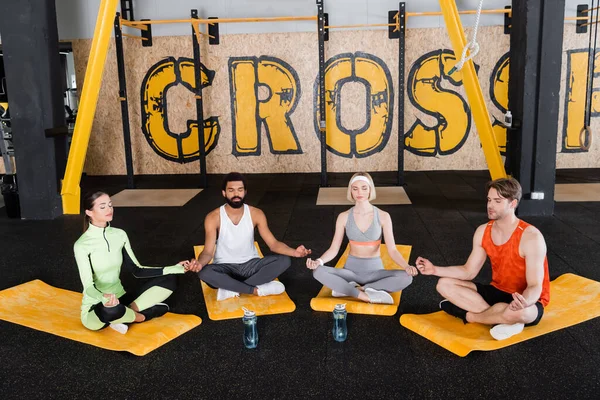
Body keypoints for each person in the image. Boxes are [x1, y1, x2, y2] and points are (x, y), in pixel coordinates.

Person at [416, 177, 550, 340]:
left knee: (522, 312)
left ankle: (471, 316)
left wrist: (523, 302)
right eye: (489, 200)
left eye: (497, 201)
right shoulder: (483, 231)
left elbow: (535, 286)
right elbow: (468, 272)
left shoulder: (531, 237)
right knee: (444, 284)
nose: (490, 206)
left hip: (526, 299)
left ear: (513, 204)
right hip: (497, 290)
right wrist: (434, 269)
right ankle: (502, 319)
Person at [74, 191, 191, 334]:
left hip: (121, 297)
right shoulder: (82, 245)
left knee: (170, 279)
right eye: (102, 207)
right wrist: (103, 298)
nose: (109, 209)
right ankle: (141, 317)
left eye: (110, 205)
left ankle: (124, 316)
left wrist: (175, 268)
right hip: (97, 307)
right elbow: (88, 287)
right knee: (111, 310)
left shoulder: (119, 235)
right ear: (89, 212)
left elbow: (137, 270)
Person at [187, 172, 311, 301]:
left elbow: (273, 244)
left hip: (251, 265)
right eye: (231, 190)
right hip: (225, 267)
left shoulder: (256, 214)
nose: (236, 194)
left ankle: (231, 288)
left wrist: (294, 252)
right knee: (204, 272)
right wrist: (200, 264)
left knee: (284, 261)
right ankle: (255, 290)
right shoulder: (213, 217)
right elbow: (207, 252)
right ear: (224, 193)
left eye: (240, 190)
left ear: (245, 192)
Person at [306, 172, 417, 304]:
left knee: (407, 278)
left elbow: (392, 250)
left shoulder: (383, 216)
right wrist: (319, 261)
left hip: (375, 273)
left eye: (364, 188)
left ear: (370, 189)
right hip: (350, 273)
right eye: (355, 188)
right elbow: (334, 249)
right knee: (317, 271)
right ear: (351, 191)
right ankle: (363, 295)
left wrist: (407, 266)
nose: (360, 192)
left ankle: (353, 289)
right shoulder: (344, 216)